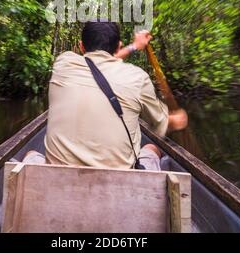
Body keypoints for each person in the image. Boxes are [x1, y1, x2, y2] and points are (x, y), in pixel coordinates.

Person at [25, 21, 187, 171]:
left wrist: (134, 46)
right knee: (151, 149)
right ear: (118, 47)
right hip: (119, 185)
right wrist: (178, 120)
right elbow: (163, 123)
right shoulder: (138, 78)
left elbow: (98, 65)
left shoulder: (63, 63)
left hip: (59, 181)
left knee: (31, 154)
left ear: (81, 47)